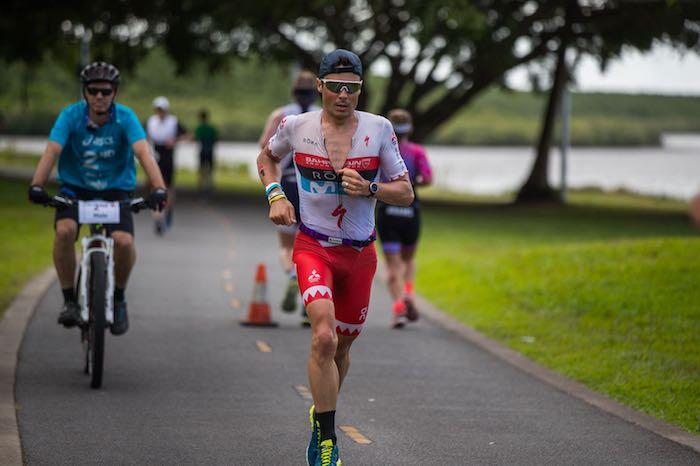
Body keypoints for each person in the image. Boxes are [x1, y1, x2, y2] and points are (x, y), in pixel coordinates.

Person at [256, 49, 414, 466]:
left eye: (353, 88)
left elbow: (406, 190)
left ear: (360, 90)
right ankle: (327, 440)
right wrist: (275, 194)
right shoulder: (296, 126)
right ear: (321, 88)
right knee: (322, 337)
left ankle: (320, 413)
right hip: (313, 247)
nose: (344, 95)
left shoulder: (379, 130)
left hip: (360, 255)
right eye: (336, 87)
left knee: (342, 348)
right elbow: (267, 158)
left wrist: (371, 189)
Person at [28, 61, 167, 335]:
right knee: (65, 231)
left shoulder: (126, 117)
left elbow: (144, 154)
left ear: (115, 92)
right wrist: (37, 184)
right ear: (85, 92)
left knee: (123, 241)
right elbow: (52, 151)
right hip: (75, 189)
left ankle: (118, 298)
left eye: (105, 91)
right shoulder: (70, 116)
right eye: (93, 91)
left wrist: (159, 188)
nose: (99, 97)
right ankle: (69, 300)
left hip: (116, 191)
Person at [258, 70, 320, 325]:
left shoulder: (280, 115)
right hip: (313, 186)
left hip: (286, 184)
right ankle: (311, 299)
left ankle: (294, 275)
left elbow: (265, 147)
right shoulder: (321, 116)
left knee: (286, 246)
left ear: (293, 92)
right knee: (312, 247)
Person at [377, 109, 433, 328]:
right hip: (411, 210)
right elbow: (427, 179)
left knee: (392, 266)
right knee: (408, 260)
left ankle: (399, 307)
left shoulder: (381, 150)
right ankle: (409, 293)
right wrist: (411, 182)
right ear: (409, 129)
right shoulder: (417, 151)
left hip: (387, 210)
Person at [146, 96, 188, 234]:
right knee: (155, 187)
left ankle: (169, 210)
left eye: (162, 109)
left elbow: (188, 135)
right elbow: (143, 137)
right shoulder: (151, 121)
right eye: (158, 109)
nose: (160, 112)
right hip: (155, 156)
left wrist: (175, 141)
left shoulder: (173, 122)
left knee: (168, 188)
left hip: (168, 156)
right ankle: (158, 218)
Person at [194, 108, 218, 195]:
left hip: (202, 151)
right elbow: (216, 139)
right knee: (210, 172)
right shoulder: (211, 129)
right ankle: (210, 189)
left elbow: (196, 138)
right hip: (210, 151)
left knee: (201, 172)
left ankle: (200, 190)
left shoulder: (200, 128)